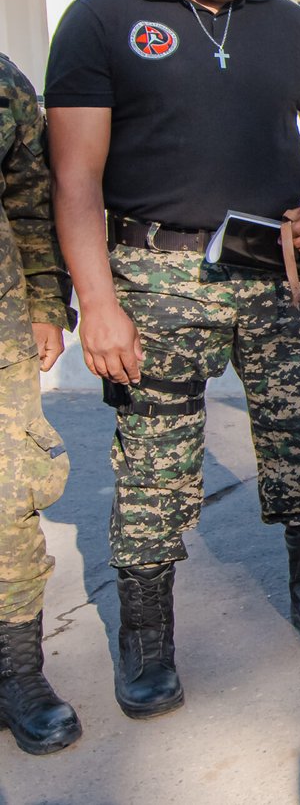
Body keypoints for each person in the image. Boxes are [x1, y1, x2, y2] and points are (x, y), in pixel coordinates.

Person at [45, 0, 300, 719]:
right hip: (155, 274)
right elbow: (75, 180)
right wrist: (96, 303)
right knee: (154, 465)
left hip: (279, 273)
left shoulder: (289, 25)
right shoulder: (101, 22)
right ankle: (147, 639)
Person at [0, 54, 80, 755]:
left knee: (8, 504)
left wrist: (48, 299)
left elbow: (28, 194)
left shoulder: (1, 80)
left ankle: (17, 673)